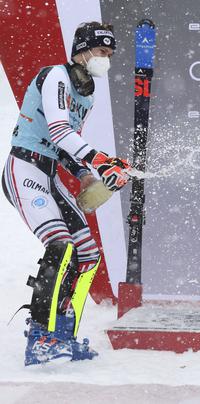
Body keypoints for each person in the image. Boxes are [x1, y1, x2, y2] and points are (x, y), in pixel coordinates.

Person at [2, 22, 131, 365]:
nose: (106, 60)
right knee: (61, 247)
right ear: (83, 51)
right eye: (102, 52)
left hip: (50, 172)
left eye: (110, 55)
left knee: (87, 257)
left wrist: (86, 174)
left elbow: (65, 147)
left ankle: (64, 334)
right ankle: (41, 336)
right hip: (24, 168)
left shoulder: (87, 94)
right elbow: (58, 130)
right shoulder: (55, 75)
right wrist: (101, 161)